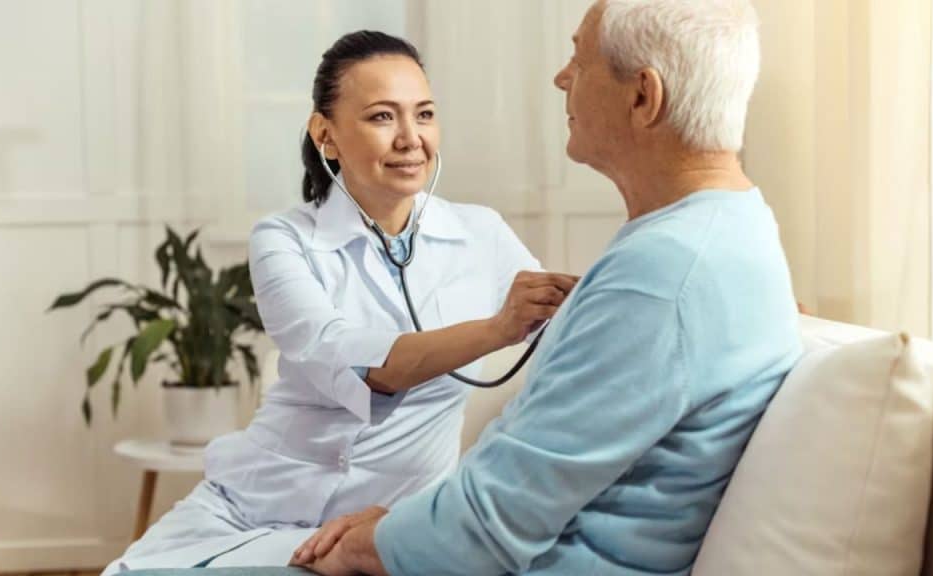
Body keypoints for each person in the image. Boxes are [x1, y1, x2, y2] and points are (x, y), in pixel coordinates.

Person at [291, 1, 802, 574]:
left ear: (643, 97)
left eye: (579, 61)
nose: (561, 78)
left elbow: (483, 530)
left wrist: (360, 546)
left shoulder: (666, 274)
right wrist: (397, 526)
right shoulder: (722, 232)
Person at [102, 30, 578, 574]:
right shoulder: (283, 239)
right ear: (326, 136)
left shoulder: (481, 234)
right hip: (254, 508)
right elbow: (361, 365)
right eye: (382, 117)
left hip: (387, 523)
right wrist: (497, 329)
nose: (411, 139)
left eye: (424, 115)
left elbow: (571, 336)